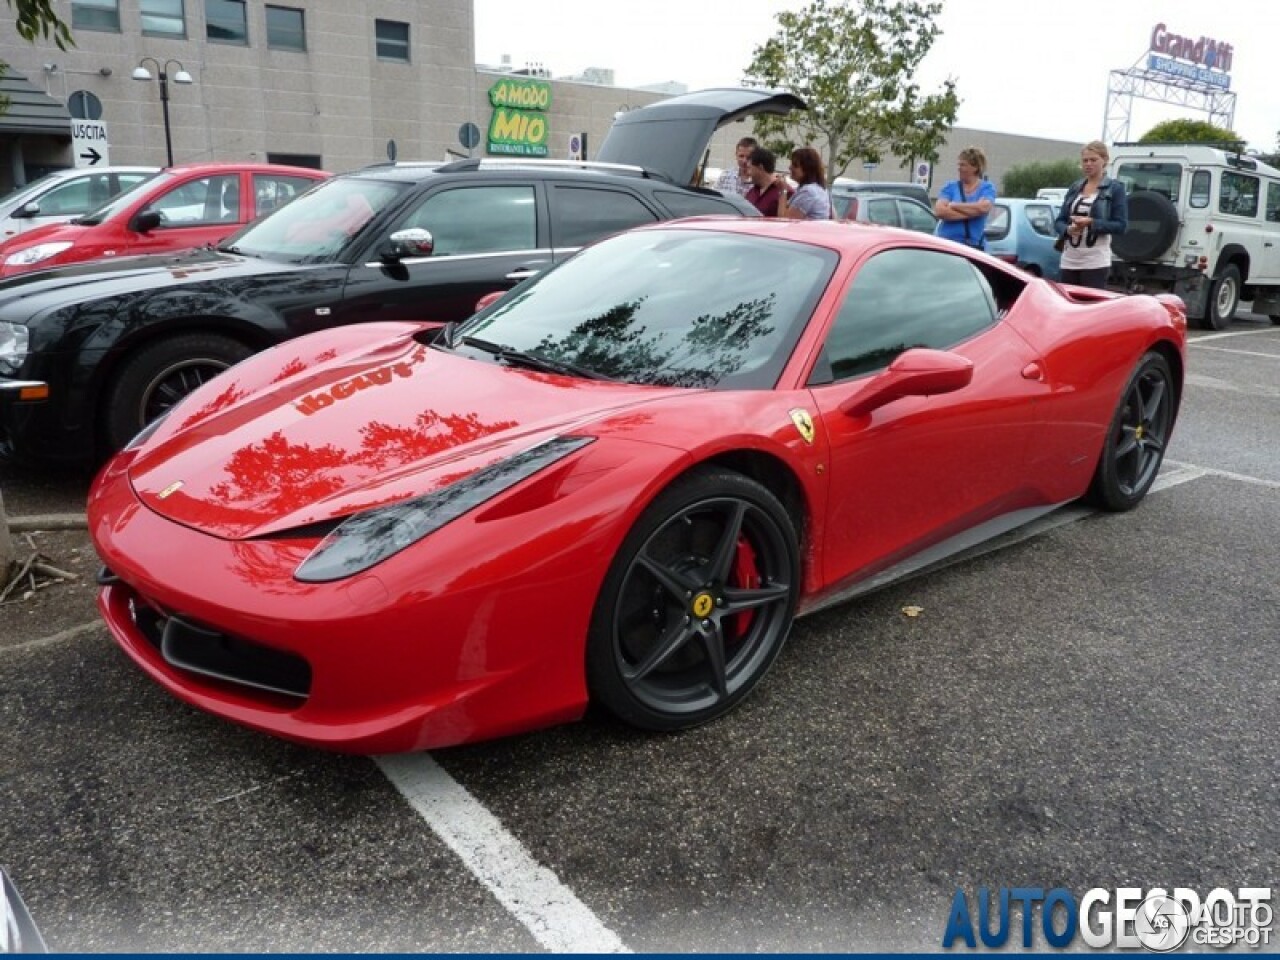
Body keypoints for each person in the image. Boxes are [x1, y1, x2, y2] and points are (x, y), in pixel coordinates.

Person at [1055, 140, 1129, 289]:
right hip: (1069, 259)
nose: (1088, 164)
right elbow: (1059, 221)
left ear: (1105, 160)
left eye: (1093, 160)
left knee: (1090, 307)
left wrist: (1091, 222)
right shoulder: (1075, 187)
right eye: (1085, 160)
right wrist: (1068, 229)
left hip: (1095, 262)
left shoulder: (1115, 188)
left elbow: (1121, 226)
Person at [934, 146, 996, 249]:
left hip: (974, 247)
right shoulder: (950, 187)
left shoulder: (987, 188)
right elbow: (940, 211)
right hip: (947, 245)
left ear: (975, 167)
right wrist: (974, 211)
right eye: (959, 164)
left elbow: (984, 208)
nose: (959, 168)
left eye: (963, 165)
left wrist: (953, 205)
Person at [776, 147, 831, 220]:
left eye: (795, 165)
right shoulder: (820, 189)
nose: (790, 167)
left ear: (807, 169)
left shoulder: (808, 192)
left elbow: (784, 220)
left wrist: (783, 191)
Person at [743, 146, 783, 216]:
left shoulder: (782, 192)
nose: (748, 173)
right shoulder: (751, 193)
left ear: (760, 167)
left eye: (750, 168)